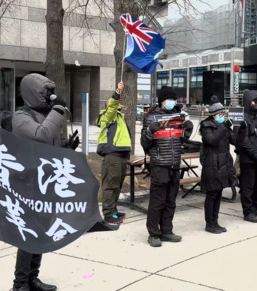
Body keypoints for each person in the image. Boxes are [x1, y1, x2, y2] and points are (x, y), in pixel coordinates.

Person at [12, 73, 64, 291]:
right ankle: (20, 283)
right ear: (34, 93)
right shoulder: (21, 116)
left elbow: (50, 146)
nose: (50, 97)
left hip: (47, 181)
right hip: (28, 183)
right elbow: (40, 135)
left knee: (42, 231)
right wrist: (58, 111)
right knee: (29, 233)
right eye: (45, 93)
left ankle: (33, 277)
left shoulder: (45, 115)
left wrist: (67, 148)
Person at [141, 86, 194, 247]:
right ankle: (153, 233)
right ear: (161, 101)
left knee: (171, 200)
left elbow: (181, 141)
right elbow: (145, 143)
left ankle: (167, 230)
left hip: (175, 164)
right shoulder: (151, 117)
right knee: (158, 201)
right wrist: (150, 131)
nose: (171, 102)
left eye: (173, 99)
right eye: (168, 99)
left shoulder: (178, 117)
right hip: (159, 164)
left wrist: (187, 131)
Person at [199, 96, 237, 233]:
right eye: (220, 114)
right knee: (211, 195)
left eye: (223, 114)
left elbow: (235, 141)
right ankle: (209, 223)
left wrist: (239, 129)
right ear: (213, 115)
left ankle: (215, 221)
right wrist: (223, 128)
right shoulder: (206, 126)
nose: (222, 116)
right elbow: (212, 140)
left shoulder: (223, 127)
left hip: (223, 164)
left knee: (219, 193)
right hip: (212, 165)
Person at [96, 81, 132, 225]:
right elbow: (112, 107)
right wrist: (118, 91)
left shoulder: (119, 118)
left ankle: (113, 210)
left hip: (121, 156)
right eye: (114, 104)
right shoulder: (107, 116)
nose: (117, 105)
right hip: (112, 156)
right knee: (110, 185)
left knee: (117, 185)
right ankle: (109, 215)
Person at [237, 89, 257, 223]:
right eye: (254, 101)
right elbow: (241, 140)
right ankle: (248, 211)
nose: (256, 104)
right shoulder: (240, 116)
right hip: (248, 158)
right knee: (247, 187)